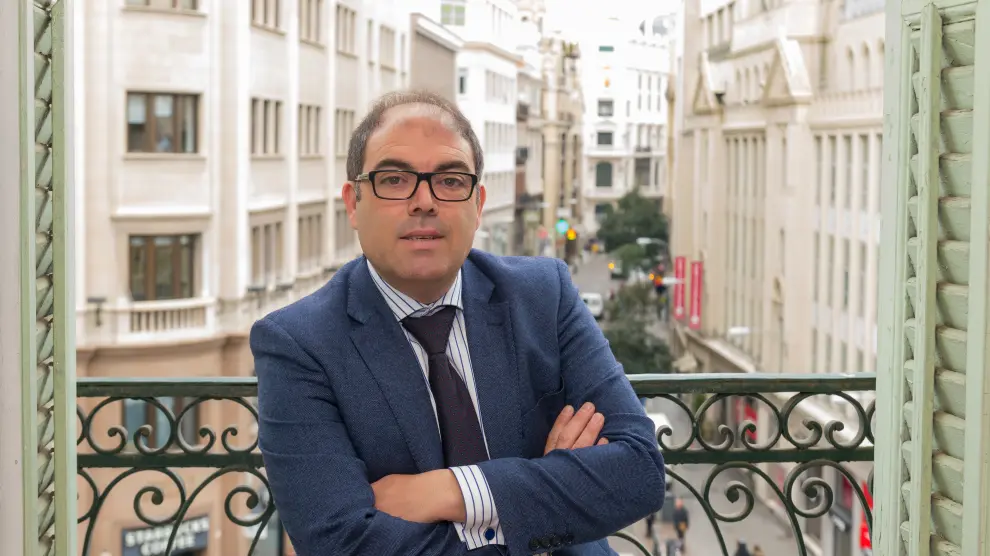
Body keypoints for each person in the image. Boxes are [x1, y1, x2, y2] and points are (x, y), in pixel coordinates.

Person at [250, 90, 667, 556]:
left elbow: (640, 471)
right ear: (353, 203)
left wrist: (448, 491)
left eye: (450, 181)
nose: (423, 201)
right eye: (394, 179)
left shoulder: (544, 295)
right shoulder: (298, 344)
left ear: (478, 203)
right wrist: (542, 498)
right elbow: (341, 543)